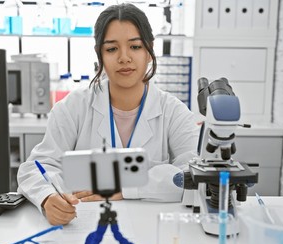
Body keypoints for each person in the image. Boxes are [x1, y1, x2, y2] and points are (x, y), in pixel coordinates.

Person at [17, 3, 199, 226]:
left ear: (150, 51)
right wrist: (47, 198)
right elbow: (35, 167)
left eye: (135, 47)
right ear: (99, 54)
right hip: (84, 227)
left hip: (148, 229)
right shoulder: (73, 107)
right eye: (112, 49)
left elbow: (194, 176)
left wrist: (125, 188)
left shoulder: (174, 112)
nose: (124, 58)